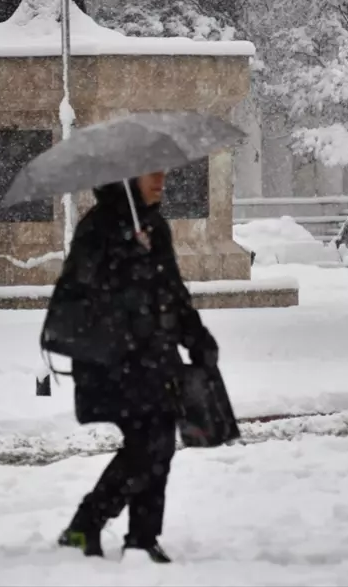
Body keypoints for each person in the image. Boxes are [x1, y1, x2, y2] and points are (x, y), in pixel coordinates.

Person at [49, 172, 219, 564]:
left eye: (162, 171)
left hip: (153, 359)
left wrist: (196, 338)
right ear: (126, 179)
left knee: (157, 445)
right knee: (147, 446)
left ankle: (141, 537)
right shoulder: (100, 227)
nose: (161, 179)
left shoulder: (153, 225)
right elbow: (83, 293)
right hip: (112, 361)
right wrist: (129, 256)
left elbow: (172, 291)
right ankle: (86, 526)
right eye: (150, 173)